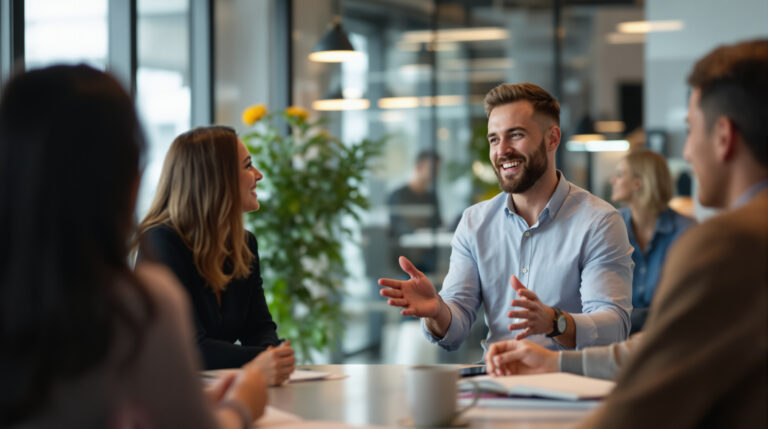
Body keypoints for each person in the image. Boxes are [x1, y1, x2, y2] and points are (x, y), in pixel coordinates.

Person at [485, 39, 768, 428]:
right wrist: (556, 361)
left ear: (723, 136)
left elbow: (644, 401)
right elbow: (663, 348)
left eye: (690, 130)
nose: (685, 152)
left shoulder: (728, 242)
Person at [0, 65, 267, 428]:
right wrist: (242, 403)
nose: (258, 175)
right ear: (128, 180)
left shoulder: (241, 246)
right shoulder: (140, 306)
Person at [379, 82, 634, 353]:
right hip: (496, 381)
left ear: (552, 138)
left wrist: (554, 322)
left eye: (515, 135)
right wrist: (436, 311)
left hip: (568, 384)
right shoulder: (474, 223)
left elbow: (614, 327)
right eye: (494, 139)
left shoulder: (598, 222)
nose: (502, 150)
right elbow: (455, 326)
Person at [135, 126, 295, 384]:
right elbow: (189, 348)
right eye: (247, 166)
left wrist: (271, 355)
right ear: (216, 178)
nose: (259, 175)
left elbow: (259, 327)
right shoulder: (162, 241)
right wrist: (263, 360)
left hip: (217, 389)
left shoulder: (244, 244)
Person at [610, 149, 695, 332]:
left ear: (638, 183)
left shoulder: (686, 231)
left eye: (620, 174)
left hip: (668, 336)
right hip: (617, 336)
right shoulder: (610, 227)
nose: (613, 181)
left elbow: (684, 303)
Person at [387, 150, 442, 273]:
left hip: (429, 259)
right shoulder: (398, 195)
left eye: (437, 170)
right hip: (404, 260)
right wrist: (417, 231)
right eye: (433, 169)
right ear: (419, 167)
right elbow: (399, 227)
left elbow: (438, 223)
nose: (436, 174)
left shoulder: (431, 197)